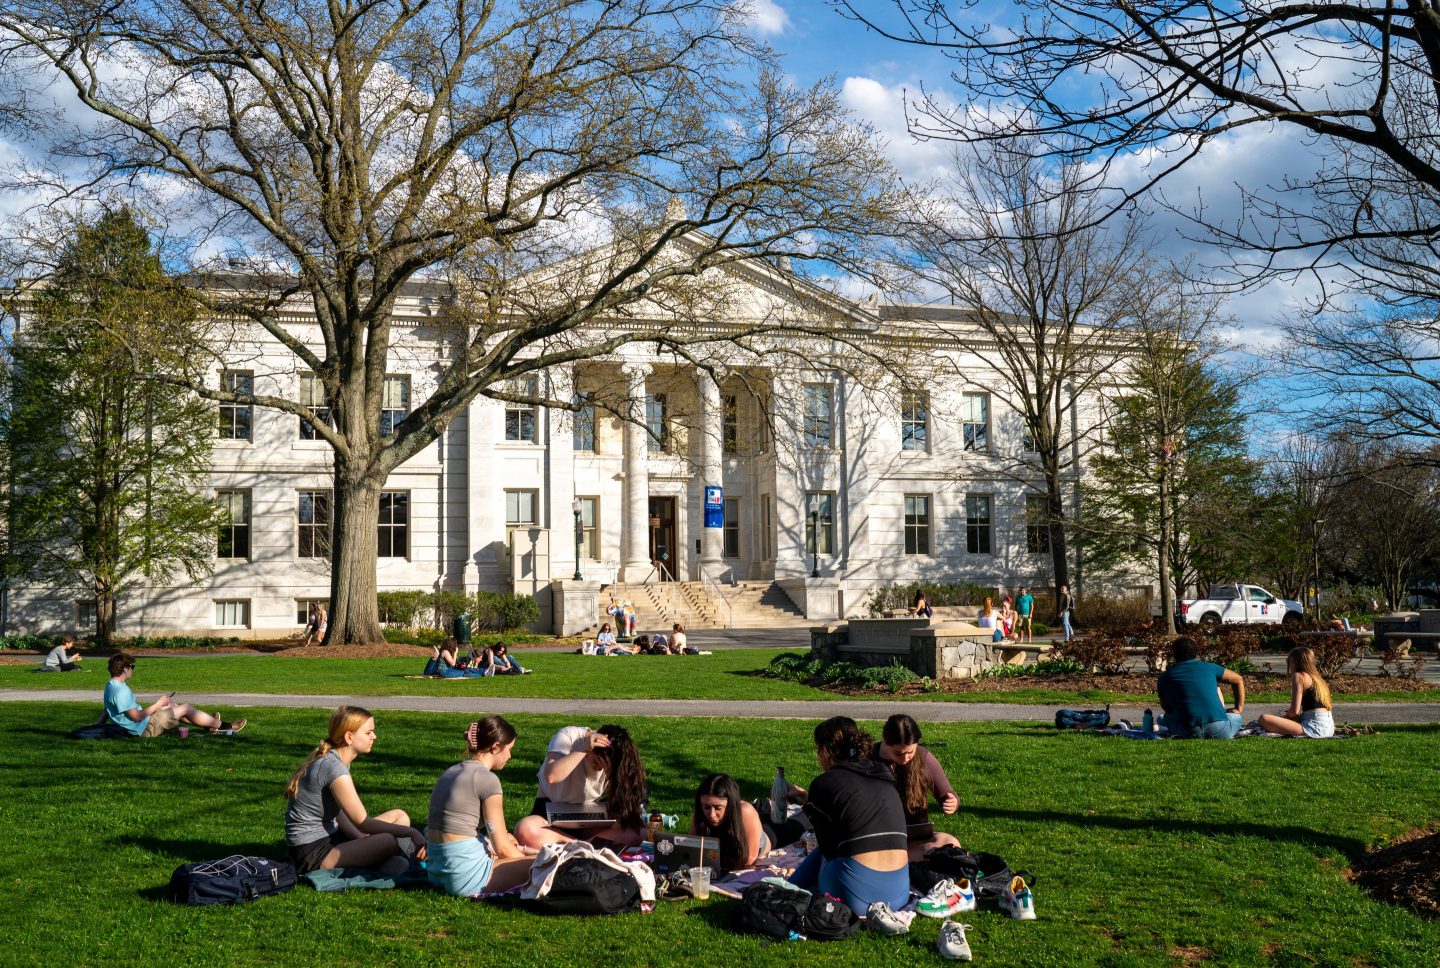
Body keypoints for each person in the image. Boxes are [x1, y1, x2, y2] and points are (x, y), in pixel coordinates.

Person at [787, 716, 909, 915]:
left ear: (825, 751)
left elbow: (828, 849)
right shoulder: (884, 777)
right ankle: (791, 885)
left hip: (853, 896)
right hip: (898, 894)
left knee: (822, 854)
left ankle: (790, 886)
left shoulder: (824, 783)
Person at [284, 705, 427, 873]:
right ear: (349, 737)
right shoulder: (333, 767)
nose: (374, 736)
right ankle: (390, 859)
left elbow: (339, 812)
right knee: (387, 841)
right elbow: (363, 822)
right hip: (312, 853)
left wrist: (360, 838)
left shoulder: (339, 759)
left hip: (333, 836)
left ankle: (385, 859)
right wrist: (411, 832)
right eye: (368, 733)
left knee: (399, 816)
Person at [425, 715, 538, 896]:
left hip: (436, 871)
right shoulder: (488, 780)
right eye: (509, 749)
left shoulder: (450, 772)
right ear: (495, 747)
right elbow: (501, 847)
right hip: (464, 877)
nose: (510, 756)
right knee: (544, 864)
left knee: (510, 839)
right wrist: (528, 862)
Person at [514, 724, 648, 849]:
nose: (598, 767)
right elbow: (551, 776)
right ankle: (585, 847)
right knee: (526, 830)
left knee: (637, 831)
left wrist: (613, 777)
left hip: (588, 817)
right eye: (596, 761)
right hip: (550, 816)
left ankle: (580, 847)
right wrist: (582, 749)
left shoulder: (614, 763)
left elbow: (630, 803)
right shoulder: (569, 736)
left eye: (604, 766)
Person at [877, 714, 961, 861]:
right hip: (878, 840)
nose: (905, 759)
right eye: (898, 753)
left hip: (914, 839)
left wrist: (952, 802)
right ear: (885, 741)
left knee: (950, 843)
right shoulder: (867, 759)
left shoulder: (923, 758)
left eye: (910, 752)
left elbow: (947, 794)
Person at [103, 652, 242, 737]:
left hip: (138, 726)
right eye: (131, 667)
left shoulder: (111, 685)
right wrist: (157, 704)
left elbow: (107, 710)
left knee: (172, 705)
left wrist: (96, 726)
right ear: (125, 669)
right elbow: (136, 717)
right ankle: (226, 726)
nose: (132, 669)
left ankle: (209, 725)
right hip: (144, 729)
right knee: (185, 708)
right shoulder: (121, 690)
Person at [690, 773, 806, 871]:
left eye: (718, 808)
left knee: (807, 817)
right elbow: (690, 849)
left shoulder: (744, 811)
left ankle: (801, 794)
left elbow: (749, 861)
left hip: (773, 831)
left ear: (730, 804)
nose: (711, 814)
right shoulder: (700, 812)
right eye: (706, 807)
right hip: (755, 818)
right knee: (767, 811)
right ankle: (773, 804)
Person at [1157, 636, 1246, 739]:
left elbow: (1167, 708)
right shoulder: (1210, 667)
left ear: (1174, 654)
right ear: (1196, 652)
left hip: (1189, 731)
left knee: (1164, 718)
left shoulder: (1165, 677)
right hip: (1220, 729)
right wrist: (1238, 708)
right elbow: (1238, 679)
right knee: (1236, 717)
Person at [1257, 647, 1335, 738]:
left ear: (1295, 662)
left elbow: (1294, 711)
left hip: (1313, 728)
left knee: (1263, 719)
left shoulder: (1299, 676)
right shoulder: (1318, 679)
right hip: (1329, 728)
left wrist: (1283, 718)